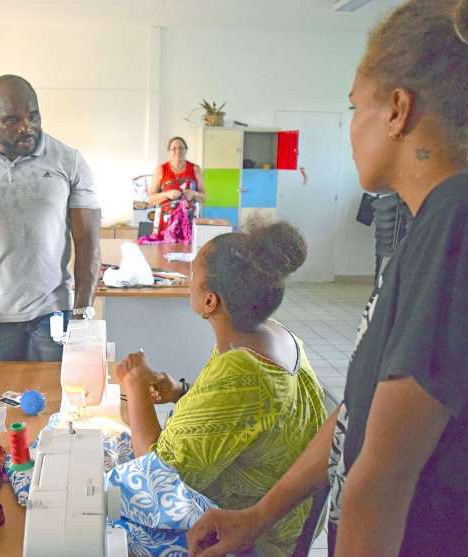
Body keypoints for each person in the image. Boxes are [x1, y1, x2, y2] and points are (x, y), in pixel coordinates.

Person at [187, 1, 468, 556]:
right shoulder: (443, 220)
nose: (351, 130)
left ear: (397, 110)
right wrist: (259, 514)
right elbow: (360, 411)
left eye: (354, 108)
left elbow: (384, 473)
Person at [117, 218, 326, 556]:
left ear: (210, 302)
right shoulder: (271, 335)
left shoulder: (243, 369)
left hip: (256, 537)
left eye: (193, 277)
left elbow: (157, 479)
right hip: (289, 515)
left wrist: (134, 386)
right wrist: (183, 392)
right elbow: (246, 416)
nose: (188, 282)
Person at [0, 74, 100, 365]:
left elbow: (88, 240)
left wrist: (82, 313)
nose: (27, 127)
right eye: (12, 120)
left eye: (34, 116)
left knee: (56, 400)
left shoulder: (68, 161)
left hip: (54, 310)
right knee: (4, 400)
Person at [147, 137, 206, 235]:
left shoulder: (195, 169)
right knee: (164, 249)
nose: (178, 151)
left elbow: (204, 197)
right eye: (174, 148)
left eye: (181, 148)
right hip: (166, 224)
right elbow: (150, 199)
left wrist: (194, 194)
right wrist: (167, 194)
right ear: (169, 151)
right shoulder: (161, 169)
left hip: (189, 222)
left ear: (186, 150)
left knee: (188, 249)